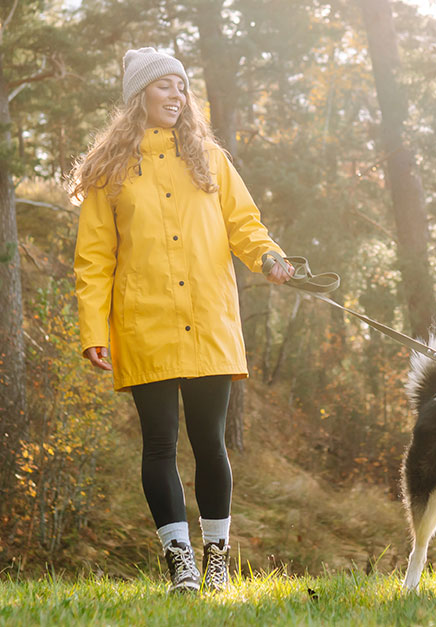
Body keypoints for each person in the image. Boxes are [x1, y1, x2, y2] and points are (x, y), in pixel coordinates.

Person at [69, 47, 294, 594]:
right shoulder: (108, 171)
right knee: (160, 444)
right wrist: (93, 329)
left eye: (182, 86)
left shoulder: (209, 159)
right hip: (144, 321)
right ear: (139, 95)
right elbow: (94, 258)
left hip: (209, 317)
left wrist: (267, 255)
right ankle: (180, 564)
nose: (177, 96)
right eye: (165, 86)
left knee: (210, 442)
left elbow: (244, 223)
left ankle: (216, 558)